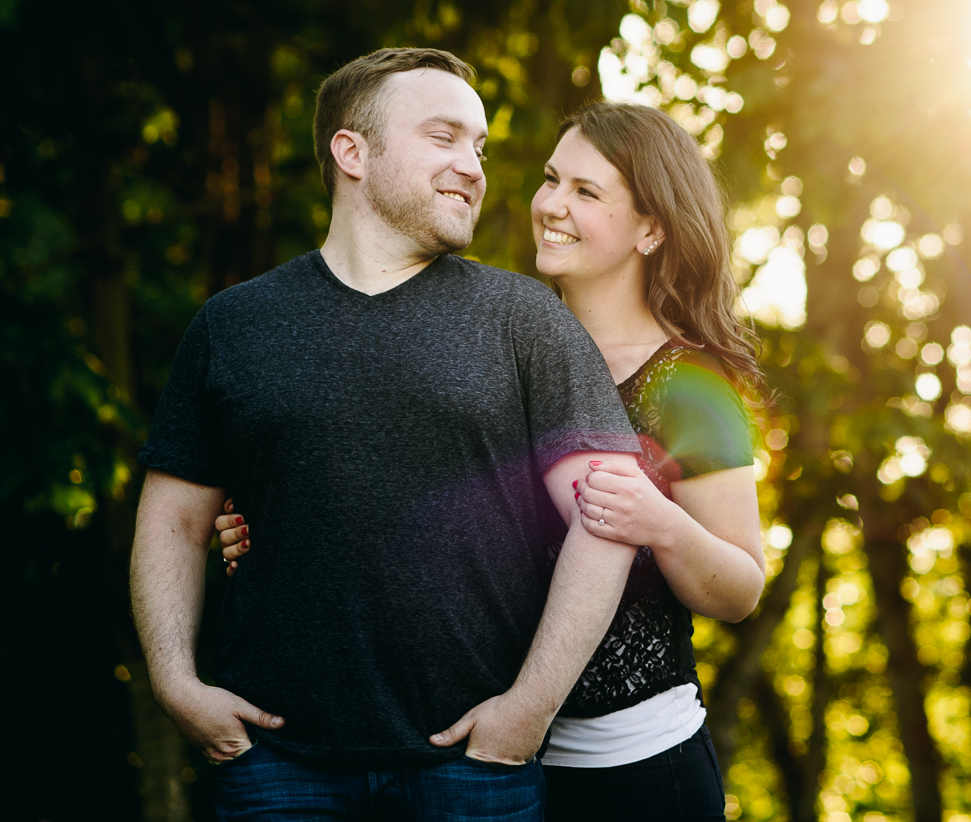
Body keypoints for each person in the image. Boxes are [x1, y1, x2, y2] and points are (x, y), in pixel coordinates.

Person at [217, 98, 769, 821]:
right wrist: (274, 532)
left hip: (630, 767)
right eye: (550, 180)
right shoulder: (497, 346)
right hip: (476, 765)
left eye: (586, 192)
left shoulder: (691, 383)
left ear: (652, 229)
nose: (551, 206)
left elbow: (739, 590)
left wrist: (660, 523)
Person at [131, 48, 643, 822]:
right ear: (352, 152)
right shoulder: (233, 326)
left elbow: (606, 524)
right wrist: (176, 682)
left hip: (474, 768)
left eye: (479, 147)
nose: (472, 165)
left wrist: (528, 711)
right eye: (444, 137)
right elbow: (173, 517)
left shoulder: (526, 321)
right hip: (273, 768)